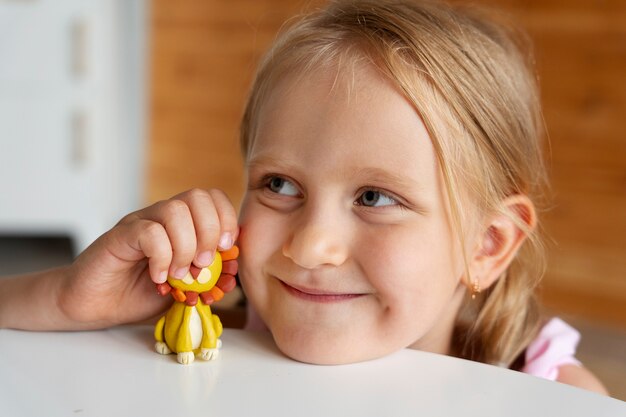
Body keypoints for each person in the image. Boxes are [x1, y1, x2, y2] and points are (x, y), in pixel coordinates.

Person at [0, 0, 607, 394]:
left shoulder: (552, 391)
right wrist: (69, 297)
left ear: (488, 243)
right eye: (280, 185)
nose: (310, 245)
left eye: (374, 196)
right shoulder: (201, 336)